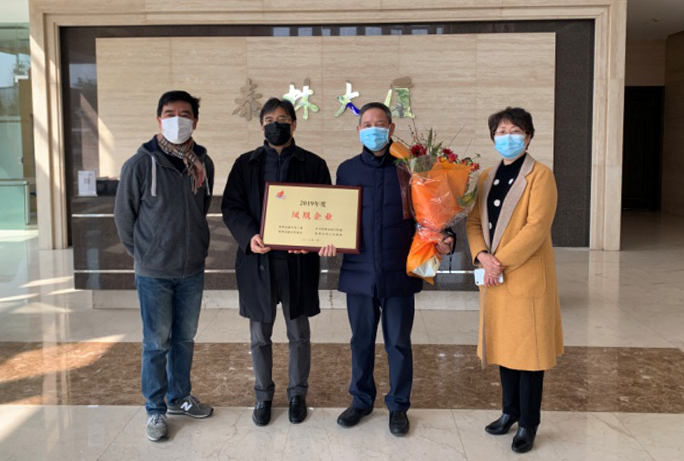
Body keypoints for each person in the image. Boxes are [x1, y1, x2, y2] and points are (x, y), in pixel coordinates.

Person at [328, 102, 453, 436]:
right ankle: (361, 400)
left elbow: (432, 214)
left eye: (380, 123)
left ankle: (398, 405)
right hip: (359, 271)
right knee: (361, 341)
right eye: (367, 124)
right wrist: (327, 240)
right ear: (358, 131)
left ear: (392, 128)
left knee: (398, 342)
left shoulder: (411, 168)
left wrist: (445, 237)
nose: (374, 130)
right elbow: (337, 217)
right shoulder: (346, 170)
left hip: (399, 269)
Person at [221, 98, 332, 427]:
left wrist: (310, 240)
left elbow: (326, 208)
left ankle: (297, 394)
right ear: (261, 127)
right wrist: (249, 236)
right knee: (259, 335)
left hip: (297, 264)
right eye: (269, 120)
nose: (275, 125)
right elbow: (232, 207)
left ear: (294, 124)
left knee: (299, 333)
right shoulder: (245, 164)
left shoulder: (314, 164)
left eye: (282, 119)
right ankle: (263, 395)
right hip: (258, 262)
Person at [114, 90, 215, 442]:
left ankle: (179, 397)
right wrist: (145, 254)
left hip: (192, 269)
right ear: (159, 119)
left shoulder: (203, 163)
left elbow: (200, 210)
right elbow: (124, 218)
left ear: (195, 121)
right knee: (156, 342)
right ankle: (155, 409)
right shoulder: (140, 164)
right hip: (154, 272)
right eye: (170, 113)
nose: (177, 120)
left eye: (185, 114)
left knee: (184, 338)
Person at [465, 107, 564, 453]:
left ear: (529, 136)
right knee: (505, 348)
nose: (508, 137)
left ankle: (529, 423)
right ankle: (509, 412)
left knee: (529, 354)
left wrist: (498, 262)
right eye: (501, 132)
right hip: (495, 277)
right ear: (493, 138)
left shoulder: (541, 176)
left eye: (515, 131)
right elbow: (473, 223)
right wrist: (482, 256)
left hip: (524, 275)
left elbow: (536, 228)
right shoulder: (485, 177)